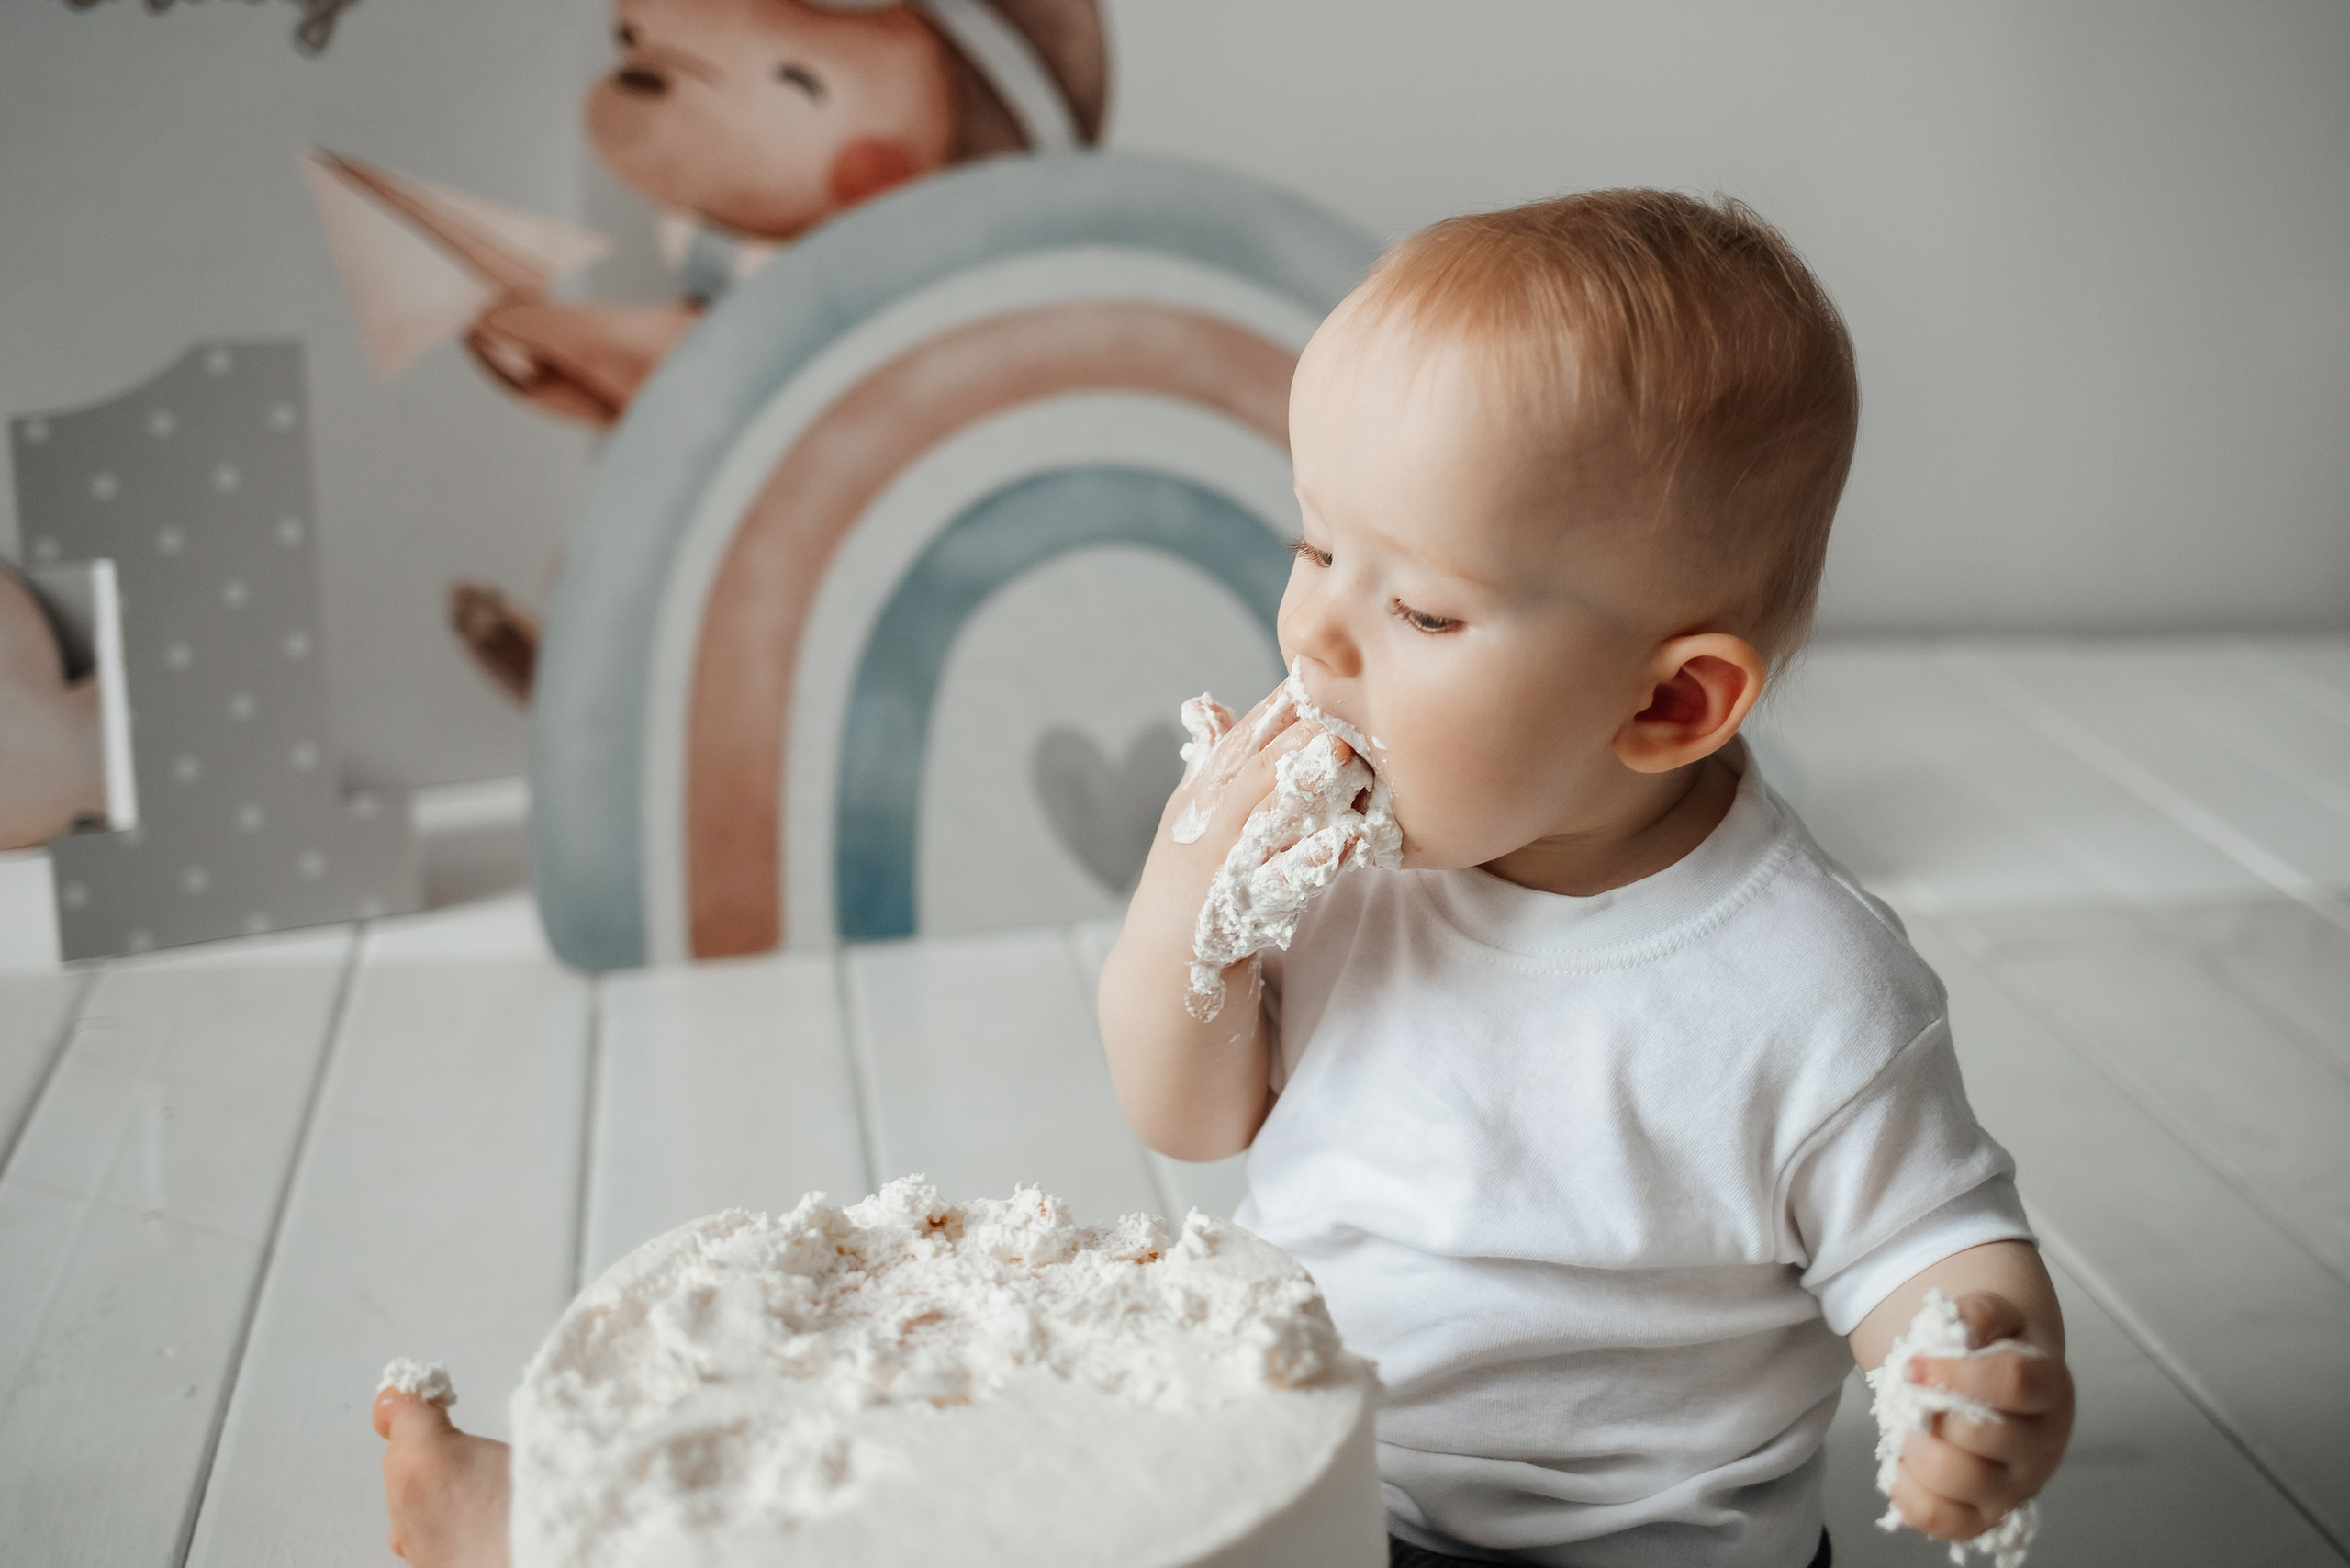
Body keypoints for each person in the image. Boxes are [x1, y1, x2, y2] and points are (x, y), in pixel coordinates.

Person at [1096, 189, 2074, 1566]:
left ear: (1670, 706)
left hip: (1651, 1542)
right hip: (1327, 1492)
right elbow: (1193, 1121)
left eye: (1421, 608)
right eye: (1316, 544)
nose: (1316, 630)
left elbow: (1928, 1242)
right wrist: (1183, 914)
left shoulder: (1804, 980)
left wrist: (1969, 1369)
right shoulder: (1343, 874)